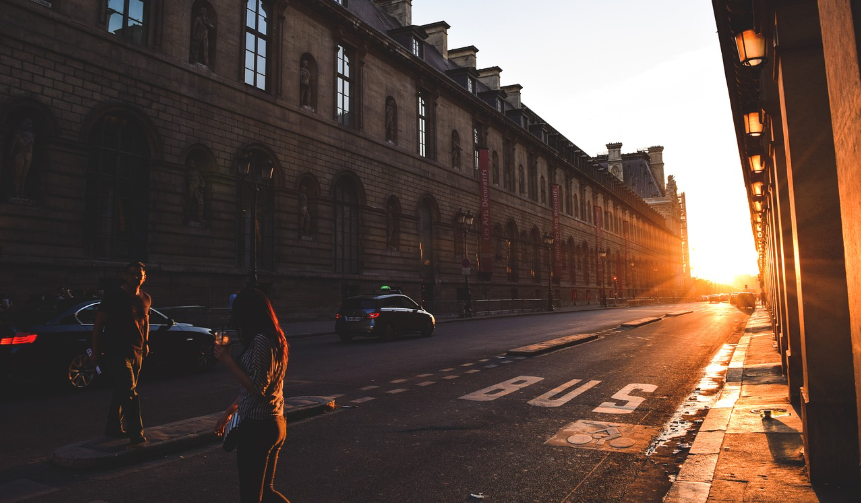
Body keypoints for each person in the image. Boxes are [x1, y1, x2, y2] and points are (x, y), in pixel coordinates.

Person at [215, 288, 290, 503]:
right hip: (274, 422)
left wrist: (228, 360)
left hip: (258, 427)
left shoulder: (260, 341)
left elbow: (258, 387)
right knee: (265, 493)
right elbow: (259, 385)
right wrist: (229, 411)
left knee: (250, 495)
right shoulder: (276, 337)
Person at [90, 262, 151, 445]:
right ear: (125, 276)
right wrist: (95, 351)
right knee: (129, 390)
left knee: (122, 391)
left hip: (137, 351)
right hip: (115, 351)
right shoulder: (113, 297)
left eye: (139, 274)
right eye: (132, 273)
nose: (136, 277)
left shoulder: (146, 298)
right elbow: (98, 325)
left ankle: (113, 426)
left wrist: (146, 343)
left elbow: (145, 321)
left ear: (144, 277)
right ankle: (136, 432)